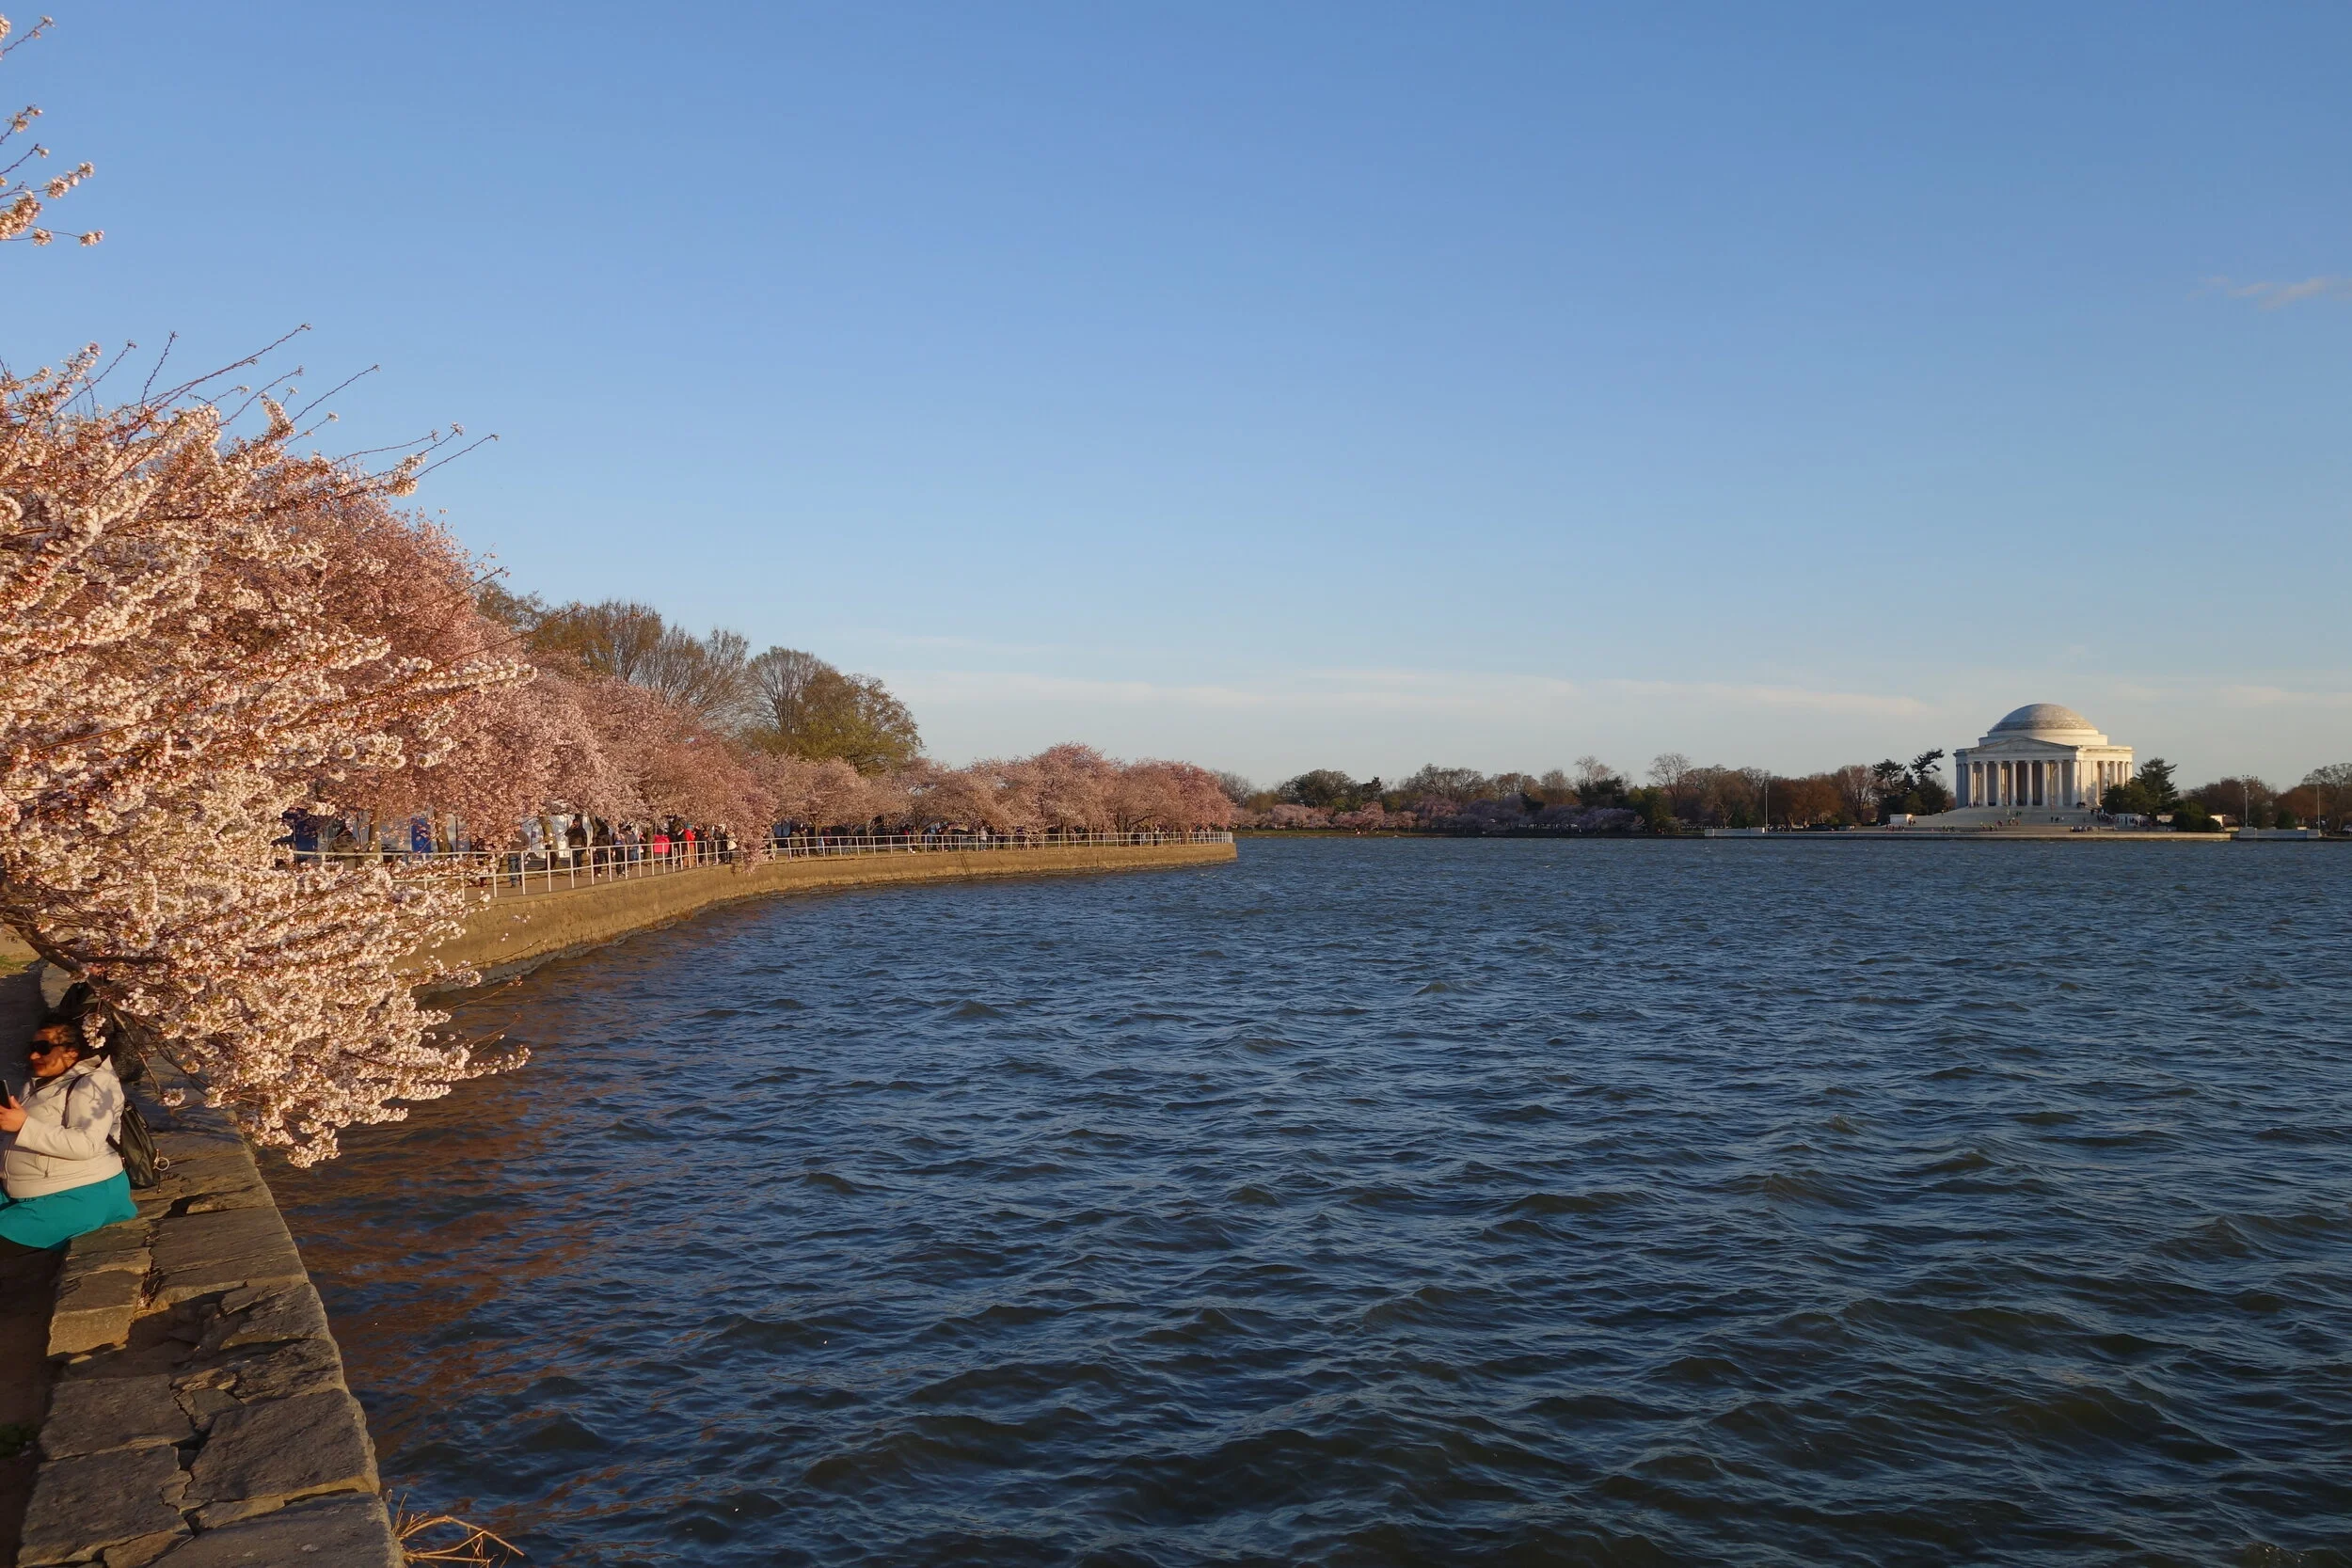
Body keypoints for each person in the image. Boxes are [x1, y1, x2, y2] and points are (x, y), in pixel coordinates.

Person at [0, 1016, 137, 1256]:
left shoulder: (94, 1084)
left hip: (74, 1196)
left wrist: (23, 1125)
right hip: (32, 1188)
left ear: (72, 1052)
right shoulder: (43, 1081)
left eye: (43, 1049)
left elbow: (85, 1144)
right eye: (32, 1048)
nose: (34, 1056)